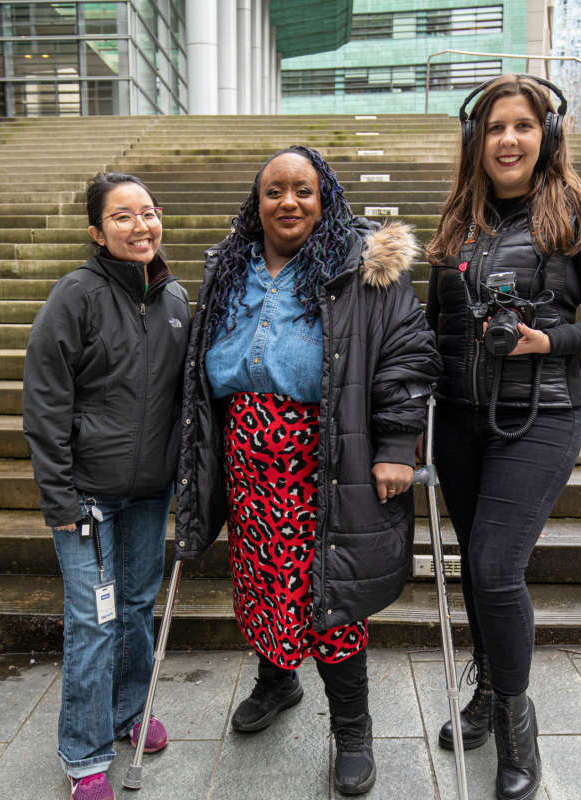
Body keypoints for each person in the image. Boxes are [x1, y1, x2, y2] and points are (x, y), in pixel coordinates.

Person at [173, 145, 440, 795]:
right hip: (245, 455)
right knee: (261, 580)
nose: (288, 202)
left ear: (324, 198)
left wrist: (397, 446)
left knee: (331, 592)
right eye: (274, 191)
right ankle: (277, 680)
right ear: (255, 201)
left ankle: (352, 727)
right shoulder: (228, 266)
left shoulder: (363, 269)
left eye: (302, 190)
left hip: (326, 455)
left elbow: (407, 353)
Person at [425, 74, 581, 800]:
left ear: (546, 136)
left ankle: (520, 730)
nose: (508, 140)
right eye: (495, 128)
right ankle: (487, 695)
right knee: (476, 571)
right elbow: (432, 331)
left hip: (542, 419)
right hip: (459, 424)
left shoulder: (577, 217)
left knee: (493, 568)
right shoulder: (457, 224)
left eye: (523, 126)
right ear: (476, 141)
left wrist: (548, 341)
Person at [22, 172, 190, 800]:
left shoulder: (175, 301)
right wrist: (58, 496)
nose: (140, 225)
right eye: (122, 216)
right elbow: (44, 400)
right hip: (86, 495)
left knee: (137, 608)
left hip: (150, 494)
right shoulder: (76, 295)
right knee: (94, 620)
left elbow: (184, 402)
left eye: (147, 211)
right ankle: (84, 754)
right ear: (97, 231)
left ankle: (129, 714)